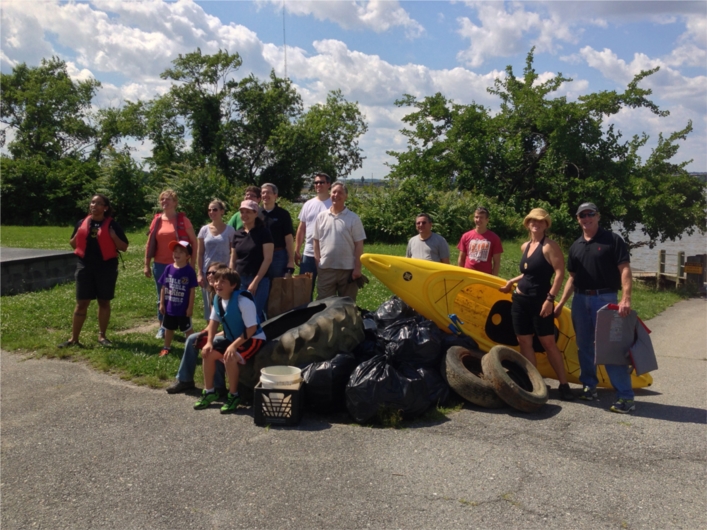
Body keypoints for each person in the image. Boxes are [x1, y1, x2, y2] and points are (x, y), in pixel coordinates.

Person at [554, 202, 636, 414]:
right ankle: (590, 386)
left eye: (590, 214)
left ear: (598, 216)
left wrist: (626, 298)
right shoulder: (576, 246)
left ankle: (626, 397)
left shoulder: (612, 240)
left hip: (606, 299)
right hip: (581, 300)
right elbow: (572, 278)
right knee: (584, 346)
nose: (586, 218)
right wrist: (561, 303)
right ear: (578, 219)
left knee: (611, 348)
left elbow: (624, 269)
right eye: (583, 215)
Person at [499, 208, 574, 401]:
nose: (536, 224)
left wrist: (550, 299)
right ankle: (535, 382)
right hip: (520, 300)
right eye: (533, 221)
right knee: (524, 341)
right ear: (528, 223)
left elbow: (559, 273)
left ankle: (564, 385)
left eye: (540, 221)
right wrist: (511, 282)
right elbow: (528, 273)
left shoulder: (549, 246)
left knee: (548, 342)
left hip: (540, 302)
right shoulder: (525, 246)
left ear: (546, 225)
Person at [59, 194, 129, 348]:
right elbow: (73, 244)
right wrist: (77, 235)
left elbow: (124, 247)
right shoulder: (81, 223)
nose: (94, 205)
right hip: (85, 266)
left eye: (98, 203)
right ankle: (74, 339)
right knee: (81, 302)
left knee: (103, 301)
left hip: (106, 267)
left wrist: (113, 236)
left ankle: (102, 336)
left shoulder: (112, 225)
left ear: (105, 208)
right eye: (92, 202)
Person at [194, 268, 267, 413]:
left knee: (230, 357)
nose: (217, 284)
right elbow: (213, 323)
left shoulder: (243, 301)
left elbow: (252, 329)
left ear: (233, 285)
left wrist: (233, 346)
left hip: (253, 339)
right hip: (233, 338)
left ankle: (234, 395)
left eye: (223, 282)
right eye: (216, 281)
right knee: (207, 353)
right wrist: (209, 342)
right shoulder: (217, 299)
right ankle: (210, 391)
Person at [166, 261, 228, 395]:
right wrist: (205, 333)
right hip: (223, 331)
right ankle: (185, 380)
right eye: (208, 273)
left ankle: (219, 387)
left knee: (215, 343)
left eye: (214, 273)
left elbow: (234, 327)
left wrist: (212, 337)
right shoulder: (212, 294)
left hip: (236, 335)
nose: (210, 276)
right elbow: (214, 321)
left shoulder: (228, 294)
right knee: (192, 339)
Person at [144, 190, 198, 339]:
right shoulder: (157, 220)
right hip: (160, 264)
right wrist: (146, 264)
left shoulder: (182, 220)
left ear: (175, 202)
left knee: (182, 295)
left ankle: (185, 325)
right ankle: (163, 326)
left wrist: (191, 264)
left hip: (180, 265)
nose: (164, 202)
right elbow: (150, 243)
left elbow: (194, 241)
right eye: (162, 200)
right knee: (161, 296)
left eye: (167, 199)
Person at [312, 182, 366, 301]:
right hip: (326, 269)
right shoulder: (321, 217)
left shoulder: (354, 218)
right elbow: (315, 241)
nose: (336, 195)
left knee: (347, 306)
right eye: (334, 192)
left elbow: (359, 245)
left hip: (347, 271)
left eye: (340, 192)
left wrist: (357, 269)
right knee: (323, 306)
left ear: (346, 196)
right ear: (330, 194)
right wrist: (318, 263)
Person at [230, 199, 273, 319]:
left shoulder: (264, 233)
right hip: (239, 279)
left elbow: (268, 259)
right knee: (240, 313)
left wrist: (255, 282)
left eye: (248, 212)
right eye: (242, 212)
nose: (244, 215)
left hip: (259, 280)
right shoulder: (237, 234)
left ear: (255, 213)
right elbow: (233, 259)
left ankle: (257, 338)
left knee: (254, 315)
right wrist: (231, 278)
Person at [196, 199, 236, 320]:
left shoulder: (230, 230)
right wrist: (199, 273)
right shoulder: (204, 230)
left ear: (222, 211)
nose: (211, 212)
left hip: (224, 272)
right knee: (209, 303)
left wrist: (231, 269)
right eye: (209, 210)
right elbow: (200, 253)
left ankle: (225, 330)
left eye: (215, 209)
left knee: (224, 301)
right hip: (207, 272)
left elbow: (232, 252)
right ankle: (209, 333)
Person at [294, 172, 332, 298]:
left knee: (327, 290)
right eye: (316, 182)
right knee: (304, 289)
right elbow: (301, 228)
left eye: (321, 182)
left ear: (328, 184)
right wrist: (297, 249)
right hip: (308, 254)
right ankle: (306, 315)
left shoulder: (334, 203)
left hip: (328, 253)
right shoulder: (308, 204)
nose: (318, 185)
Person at [158, 241, 198, 356]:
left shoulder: (189, 271)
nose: (177, 253)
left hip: (183, 308)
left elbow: (192, 290)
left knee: (187, 329)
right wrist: (162, 303)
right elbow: (163, 287)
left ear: (188, 256)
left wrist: (190, 307)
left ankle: (192, 348)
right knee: (168, 328)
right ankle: (166, 347)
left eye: (181, 252)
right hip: (169, 306)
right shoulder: (168, 268)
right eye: (175, 251)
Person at [260, 183, 295, 279]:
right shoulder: (256, 214)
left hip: (278, 256)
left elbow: (288, 238)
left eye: (268, 192)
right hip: (259, 255)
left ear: (275, 195)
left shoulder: (283, 214)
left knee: (277, 287)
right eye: (263, 193)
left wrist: (291, 260)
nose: (265, 195)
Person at [457, 206, 503, 275]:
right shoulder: (466, 236)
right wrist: (460, 274)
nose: (478, 220)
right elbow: (461, 258)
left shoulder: (494, 238)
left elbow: (496, 262)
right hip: (468, 274)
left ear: (487, 220)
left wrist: (494, 278)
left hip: (484, 276)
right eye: (476, 217)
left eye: (481, 217)